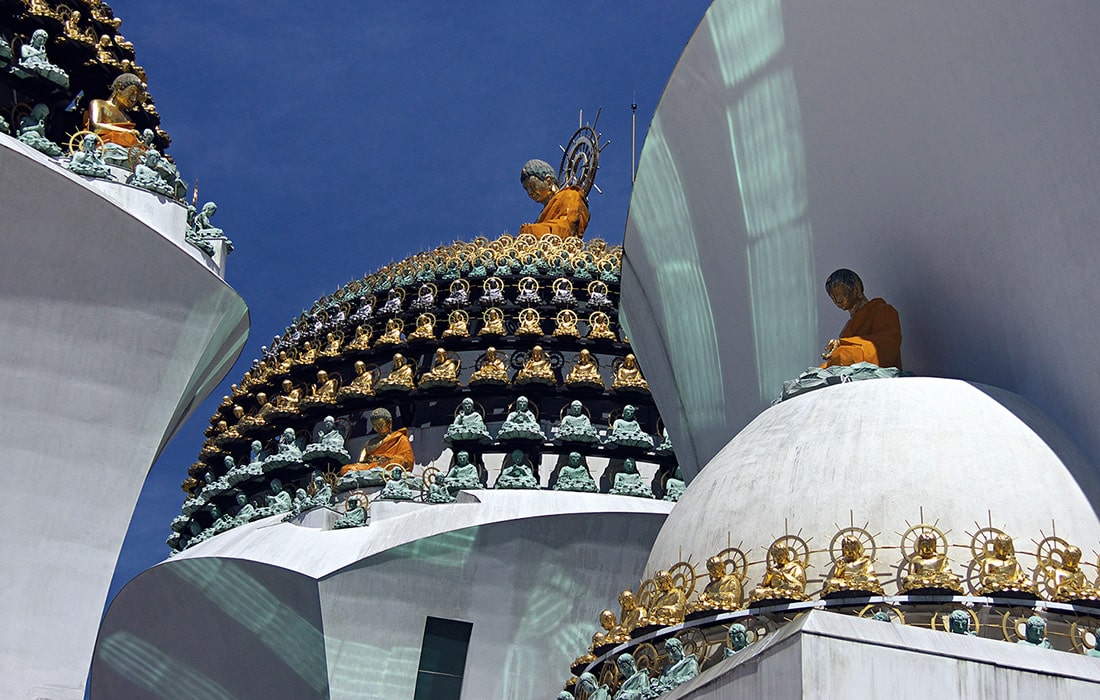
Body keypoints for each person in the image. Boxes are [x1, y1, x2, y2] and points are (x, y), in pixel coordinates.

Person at [820, 269, 902, 369]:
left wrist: (844, 345)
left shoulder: (882, 311)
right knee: (821, 370)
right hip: (852, 370)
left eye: (840, 293)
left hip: (876, 370)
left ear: (856, 289)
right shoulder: (849, 327)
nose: (837, 300)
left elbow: (888, 346)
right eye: (832, 297)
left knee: (842, 355)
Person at [518, 159, 590, 239]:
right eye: (526, 189)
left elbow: (566, 228)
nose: (530, 192)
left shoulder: (570, 195)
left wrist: (532, 230)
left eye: (532, 186)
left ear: (548, 181)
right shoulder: (541, 215)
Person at [340, 407, 414, 475]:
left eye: (381, 424)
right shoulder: (370, 443)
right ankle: (374, 472)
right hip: (371, 467)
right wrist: (371, 463)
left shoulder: (400, 438)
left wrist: (384, 458)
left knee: (396, 461)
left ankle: (376, 471)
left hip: (388, 464)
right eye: (375, 425)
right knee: (345, 469)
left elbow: (408, 460)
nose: (378, 428)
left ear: (389, 423)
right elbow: (361, 462)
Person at [86, 72, 145, 148]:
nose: (133, 99)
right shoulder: (98, 104)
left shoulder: (127, 119)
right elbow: (95, 126)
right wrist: (127, 131)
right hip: (103, 145)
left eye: (137, 97)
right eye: (131, 93)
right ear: (118, 88)